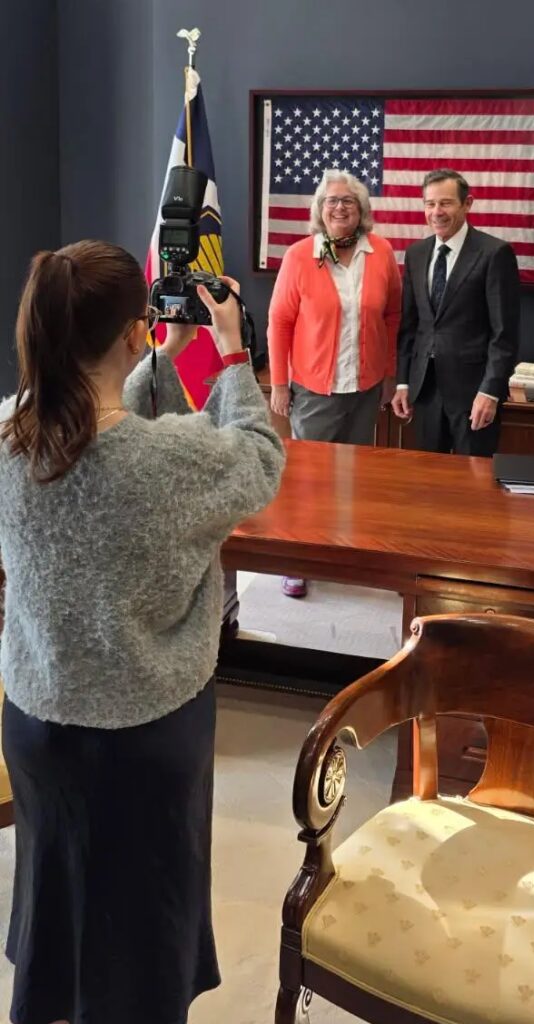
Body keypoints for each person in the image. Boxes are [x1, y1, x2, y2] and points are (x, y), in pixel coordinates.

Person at [0, 241, 285, 1024]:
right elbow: (260, 460)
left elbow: (90, 417)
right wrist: (229, 356)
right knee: (144, 914)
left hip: (36, 720)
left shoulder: (7, 434)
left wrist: (165, 357)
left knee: (58, 889)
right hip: (144, 730)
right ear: (133, 331)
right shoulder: (173, 460)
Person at [268, 169, 401, 598]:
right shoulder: (299, 255)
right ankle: (296, 561)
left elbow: (393, 317)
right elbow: (279, 321)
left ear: (362, 210)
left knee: (353, 476)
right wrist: (280, 383)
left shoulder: (380, 253)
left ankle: (344, 553)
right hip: (312, 388)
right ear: (319, 211)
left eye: (348, 201)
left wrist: (389, 374)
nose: (340, 207)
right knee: (309, 479)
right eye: (331, 201)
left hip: (364, 387)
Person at [391, 168, 520, 456]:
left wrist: (490, 392)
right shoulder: (415, 254)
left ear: (467, 204)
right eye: (430, 203)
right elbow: (410, 327)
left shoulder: (494, 254)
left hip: (473, 393)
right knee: (426, 482)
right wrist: (403, 382)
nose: (437, 211)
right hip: (424, 391)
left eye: (446, 203)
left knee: (473, 485)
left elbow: (504, 335)